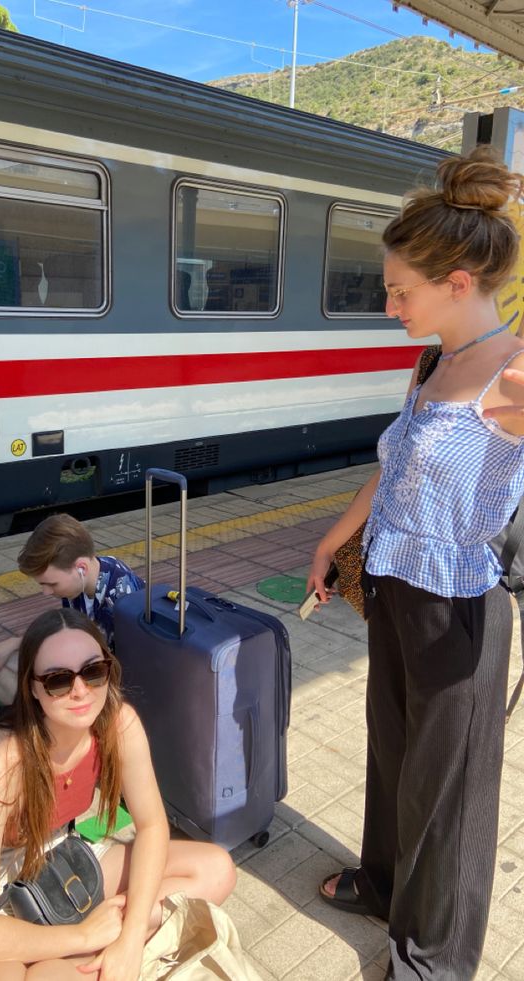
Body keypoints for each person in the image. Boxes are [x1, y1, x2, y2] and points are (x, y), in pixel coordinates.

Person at [307, 147, 524, 980]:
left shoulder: (510, 372)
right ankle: (385, 882)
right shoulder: (434, 362)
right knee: (392, 751)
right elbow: (396, 465)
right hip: (397, 589)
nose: (389, 302)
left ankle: (434, 957)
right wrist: (334, 538)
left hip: (461, 610)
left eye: (402, 289)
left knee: (451, 793)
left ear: (461, 281)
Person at [0, 607, 236, 981]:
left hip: (63, 859)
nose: (81, 691)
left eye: (93, 671)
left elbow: (152, 826)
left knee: (216, 869)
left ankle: (86, 960)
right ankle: (77, 956)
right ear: (33, 688)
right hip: (3, 891)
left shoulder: (119, 724)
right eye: (58, 680)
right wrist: (86, 933)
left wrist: (130, 937)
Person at [0, 514, 144, 704]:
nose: (46, 592)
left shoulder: (120, 600)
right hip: (84, 669)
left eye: (52, 584)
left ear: (81, 568)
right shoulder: (88, 576)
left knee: (23, 677)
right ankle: (34, 718)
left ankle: (37, 721)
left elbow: (120, 676)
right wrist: (13, 644)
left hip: (104, 687)